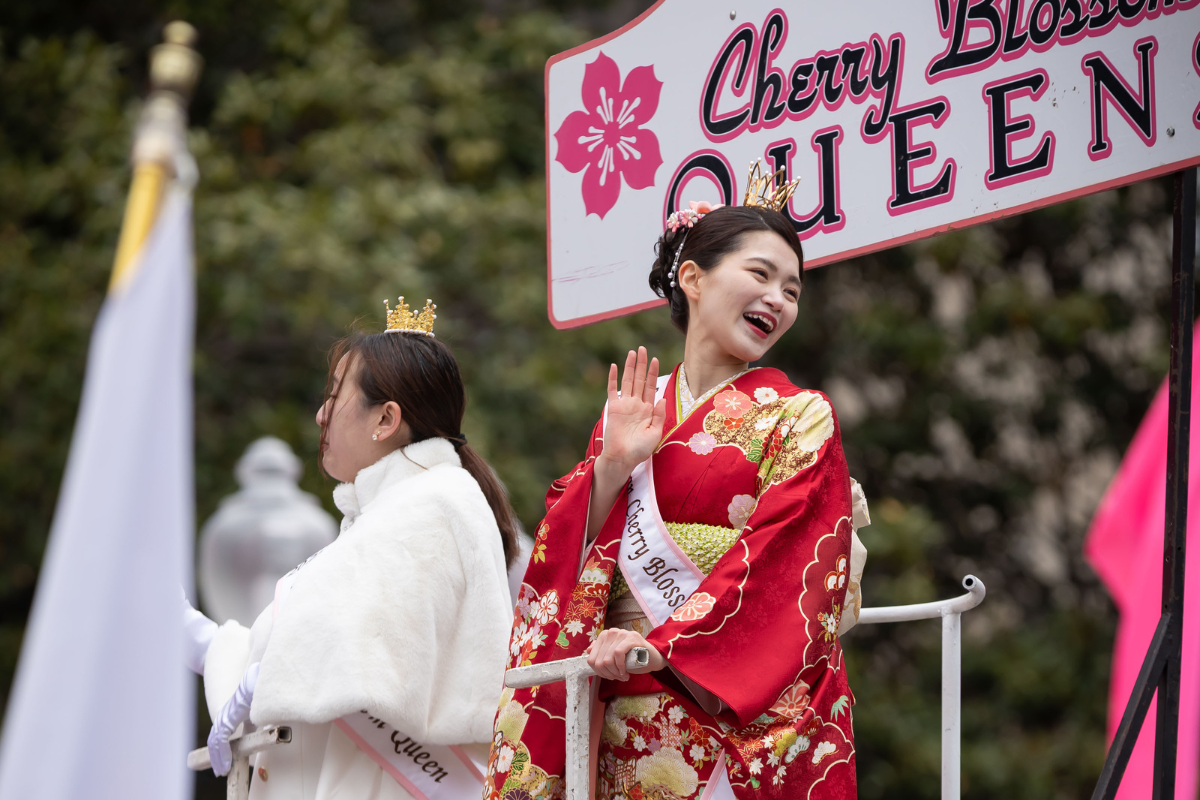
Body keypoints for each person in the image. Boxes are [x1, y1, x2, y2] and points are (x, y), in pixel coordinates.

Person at [484, 171, 868, 799]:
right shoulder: (638, 412)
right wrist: (612, 467)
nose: (779, 299)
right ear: (692, 278)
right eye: (761, 274)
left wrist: (666, 643)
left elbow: (788, 557)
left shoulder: (801, 415)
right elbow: (563, 561)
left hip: (728, 702)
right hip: (631, 703)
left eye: (793, 289)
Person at [183, 297, 519, 799]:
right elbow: (344, 641)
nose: (320, 415)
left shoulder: (433, 501)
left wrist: (231, 662)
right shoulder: (398, 506)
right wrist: (213, 648)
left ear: (385, 420)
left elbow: (350, 644)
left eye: (334, 396)